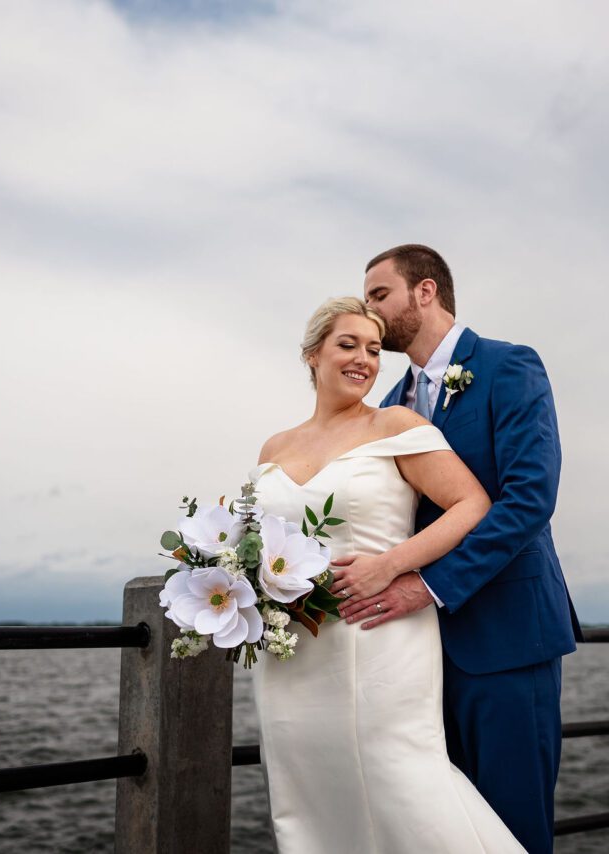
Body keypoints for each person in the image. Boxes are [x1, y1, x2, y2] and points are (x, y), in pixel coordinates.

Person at [250, 297, 526, 853]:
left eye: (374, 350)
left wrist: (392, 566)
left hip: (380, 631)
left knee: (402, 777)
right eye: (347, 345)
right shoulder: (274, 446)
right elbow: (255, 540)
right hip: (295, 644)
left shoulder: (395, 423)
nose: (364, 360)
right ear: (312, 355)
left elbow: (471, 504)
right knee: (307, 786)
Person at [334, 244, 583, 854]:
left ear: (425, 291)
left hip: (508, 637)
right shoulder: (390, 405)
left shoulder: (508, 365)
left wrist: (428, 585)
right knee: (448, 831)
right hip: (418, 656)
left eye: (378, 294)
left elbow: (528, 499)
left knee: (514, 829)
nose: (369, 310)